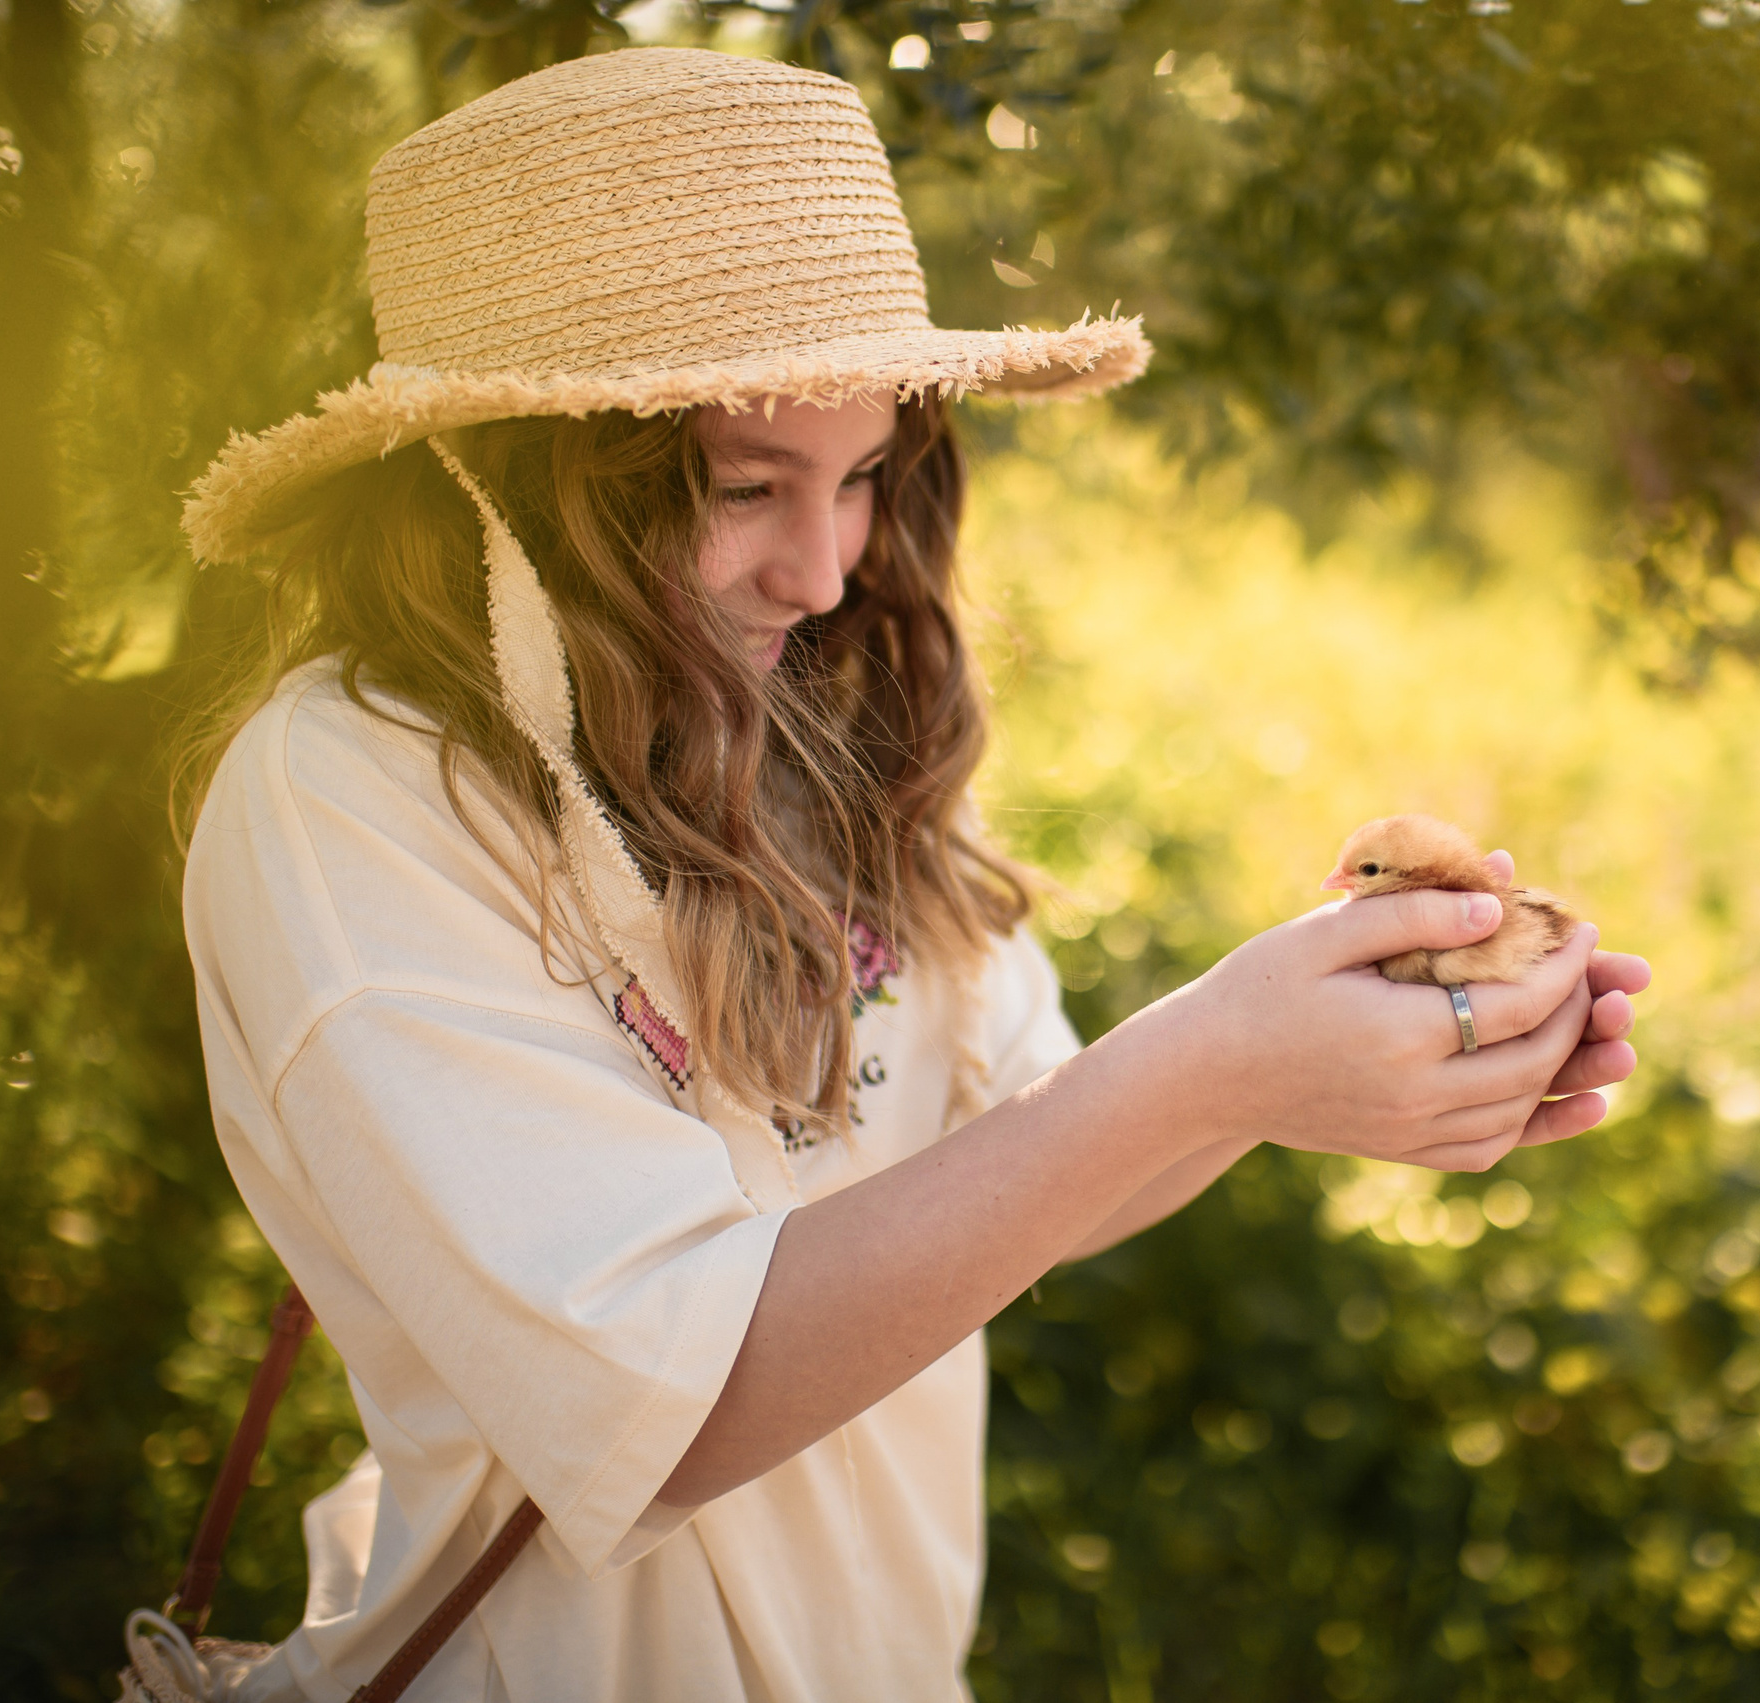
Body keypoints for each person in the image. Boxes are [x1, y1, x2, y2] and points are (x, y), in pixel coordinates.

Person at [177, 46, 1648, 1703]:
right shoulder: (353, 800)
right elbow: (669, 1417)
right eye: (747, 486)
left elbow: (1033, 1164)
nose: (824, 569)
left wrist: (1308, 1040)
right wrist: (1213, 1057)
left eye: (866, 474)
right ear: (511, 491)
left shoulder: (811, 728)